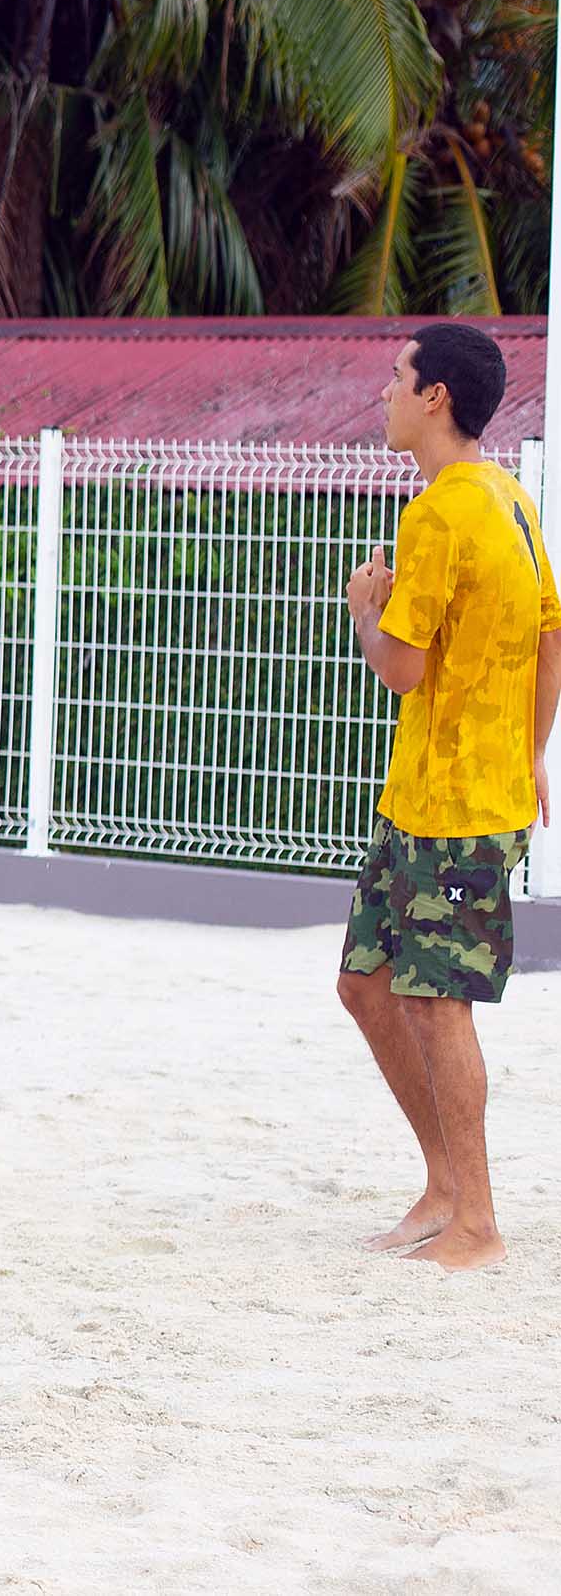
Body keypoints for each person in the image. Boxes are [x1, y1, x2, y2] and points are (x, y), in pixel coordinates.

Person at [338, 320, 552, 1273]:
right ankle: (443, 1185)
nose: (382, 392)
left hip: (458, 806)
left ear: (436, 398)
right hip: (432, 794)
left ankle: (479, 1223)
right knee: (367, 984)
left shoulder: (437, 514)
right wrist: (533, 751)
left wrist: (364, 614)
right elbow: (553, 636)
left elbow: (403, 670)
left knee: (438, 1002)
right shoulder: (509, 497)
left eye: (396, 377)